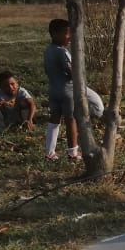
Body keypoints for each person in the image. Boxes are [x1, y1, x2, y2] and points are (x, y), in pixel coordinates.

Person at [43, 18, 104, 160]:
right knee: (71, 120)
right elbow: (71, 71)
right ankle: (73, 151)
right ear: (54, 34)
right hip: (68, 90)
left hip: (53, 89)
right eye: (66, 33)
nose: (69, 36)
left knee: (54, 119)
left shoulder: (48, 50)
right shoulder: (61, 52)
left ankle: (49, 152)